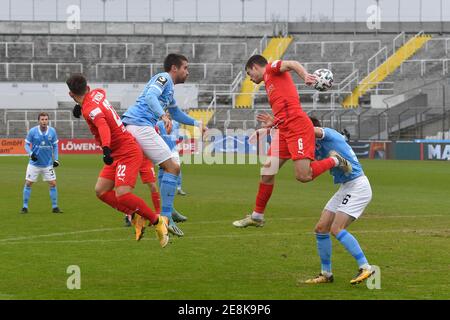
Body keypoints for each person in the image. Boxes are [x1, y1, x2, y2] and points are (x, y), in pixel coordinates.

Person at [233, 55, 351, 228]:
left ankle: (336, 160)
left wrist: (305, 76)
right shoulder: (268, 82)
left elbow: (292, 63)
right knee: (267, 172)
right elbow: (283, 112)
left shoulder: (272, 68)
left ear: (255, 66)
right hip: (283, 130)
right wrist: (267, 128)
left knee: (303, 176)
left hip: (298, 127)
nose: (250, 79)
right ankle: (257, 216)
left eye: (249, 73)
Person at [66, 73, 169, 248]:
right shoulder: (98, 93)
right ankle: (136, 216)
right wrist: (80, 105)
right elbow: (99, 104)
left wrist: (105, 148)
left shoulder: (89, 109)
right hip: (118, 152)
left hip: (127, 151)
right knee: (101, 191)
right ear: (87, 87)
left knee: (122, 194)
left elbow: (102, 124)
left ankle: (157, 221)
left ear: (71, 94)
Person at [121, 53, 205, 237]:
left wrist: (196, 123)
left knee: (163, 168)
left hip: (133, 126)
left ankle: (148, 213)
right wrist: (162, 115)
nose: (188, 72)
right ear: (174, 68)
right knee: (173, 167)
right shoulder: (164, 77)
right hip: (139, 125)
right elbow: (151, 96)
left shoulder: (170, 90)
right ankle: (166, 218)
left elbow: (175, 113)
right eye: (185, 68)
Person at [303, 117, 374, 285]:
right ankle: (326, 274)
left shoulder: (328, 134)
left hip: (358, 185)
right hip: (346, 187)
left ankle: (366, 267)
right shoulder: (313, 147)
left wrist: (297, 126)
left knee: (336, 228)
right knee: (321, 228)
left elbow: (314, 131)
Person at [21, 112, 62, 214]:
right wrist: (31, 153)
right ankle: (25, 207)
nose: (44, 121)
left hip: (47, 164)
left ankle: (55, 207)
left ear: (48, 120)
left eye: (46, 119)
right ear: (39, 121)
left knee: (53, 184)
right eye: (42, 119)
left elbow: (55, 146)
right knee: (28, 183)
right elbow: (26, 144)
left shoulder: (52, 131)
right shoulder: (33, 131)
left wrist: (56, 159)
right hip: (34, 164)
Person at [156, 115, 187, 196]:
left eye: (170, 113)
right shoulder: (159, 124)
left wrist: (180, 138)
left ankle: (179, 188)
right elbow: (156, 134)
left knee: (177, 169)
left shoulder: (176, 124)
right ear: (164, 115)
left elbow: (180, 136)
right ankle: (161, 188)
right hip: (163, 150)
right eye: (167, 113)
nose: (169, 114)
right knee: (162, 169)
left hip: (173, 150)